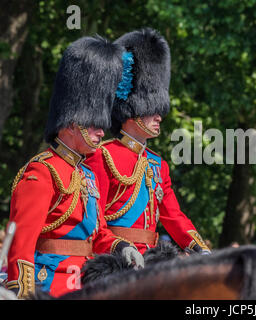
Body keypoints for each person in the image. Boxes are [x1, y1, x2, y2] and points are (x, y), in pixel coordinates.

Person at [6, 36, 144, 298]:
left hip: (85, 283)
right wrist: (23, 292)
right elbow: (21, 243)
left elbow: (99, 233)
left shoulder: (87, 175)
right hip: (48, 285)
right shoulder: (42, 172)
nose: (102, 132)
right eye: (94, 124)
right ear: (71, 124)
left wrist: (121, 247)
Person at [84, 28, 210, 255]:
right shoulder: (102, 155)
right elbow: (95, 218)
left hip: (151, 257)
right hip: (114, 258)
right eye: (152, 109)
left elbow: (173, 216)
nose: (159, 116)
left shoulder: (157, 164)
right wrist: (118, 248)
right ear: (131, 109)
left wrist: (200, 248)